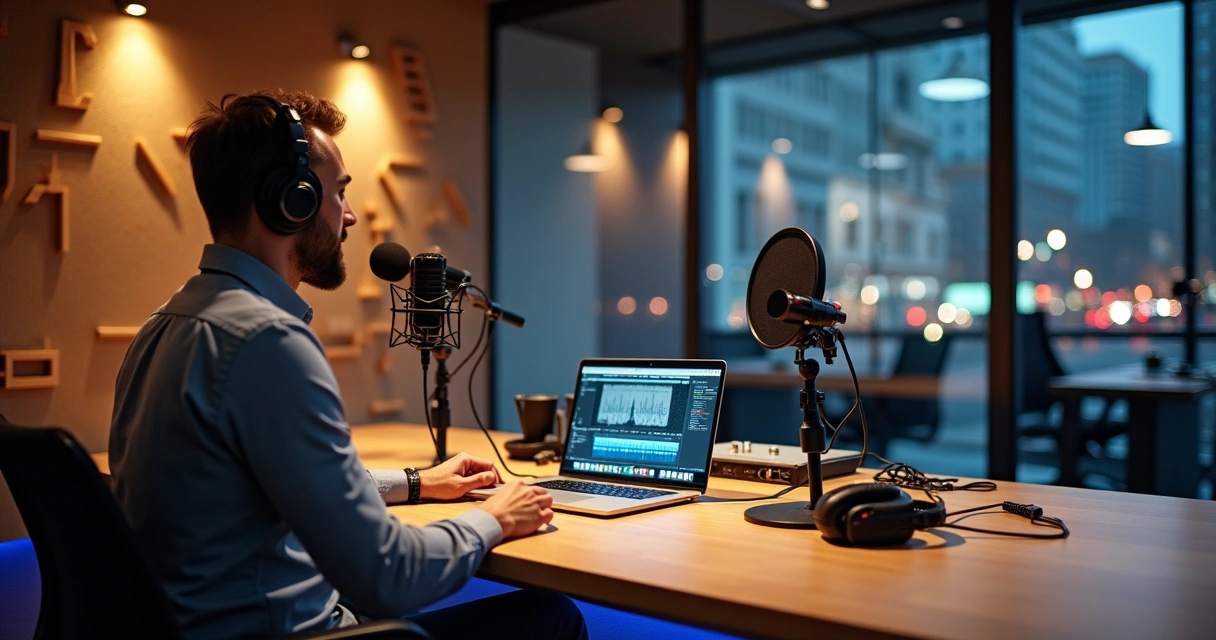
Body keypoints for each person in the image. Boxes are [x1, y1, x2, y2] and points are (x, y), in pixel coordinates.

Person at [108, 90, 587, 640]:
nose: (352, 215)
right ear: (292, 201)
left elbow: (264, 479)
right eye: (339, 192)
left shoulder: (165, 325)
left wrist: (416, 483)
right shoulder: (267, 341)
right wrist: (495, 517)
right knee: (552, 617)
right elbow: (389, 574)